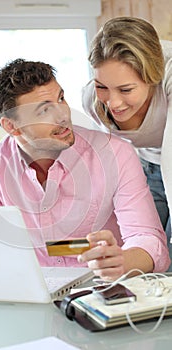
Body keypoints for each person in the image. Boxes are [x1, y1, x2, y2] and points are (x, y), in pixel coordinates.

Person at [0, 58, 170, 281]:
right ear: (11, 126)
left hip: (103, 289)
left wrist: (122, 261)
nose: (63, 115)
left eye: (61, 99)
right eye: (44, 110)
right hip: (34, 289)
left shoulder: (114, 153)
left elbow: (148, 239)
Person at [82, 16, 172, 271]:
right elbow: (107, 164)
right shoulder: (91, 101)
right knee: (142, 256)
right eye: (102, 86)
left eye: (126, 89)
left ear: (152, 79)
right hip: (141, 166)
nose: (113, 102)